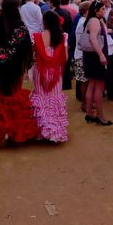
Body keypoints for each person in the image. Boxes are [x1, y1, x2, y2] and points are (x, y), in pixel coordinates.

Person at [0, 0, 38, 146]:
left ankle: (2, 131)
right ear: (16, 8)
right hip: (14, 68)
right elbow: (25, 48)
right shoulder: (19, 26)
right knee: (13, 98)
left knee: (1, 96)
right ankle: (13, 133)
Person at [30, 11, 68, 143]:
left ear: (44, 22)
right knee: (54, 99)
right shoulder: (62, 37)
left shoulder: (37, 37)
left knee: (41, 98)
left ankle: (41, 131)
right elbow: (66, 57)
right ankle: (55, 131)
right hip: (56, 72)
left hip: (40, 71)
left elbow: (34, 57)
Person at [83, 0, 112, 125]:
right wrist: (101, 55)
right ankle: (100, 116)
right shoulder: (94, 20)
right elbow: (93, 39)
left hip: (90, 56)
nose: (104, 11)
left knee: (92, 85)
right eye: (102, 9)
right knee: (98, 87)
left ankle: (89, 114)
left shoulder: (91, 20)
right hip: (95, 57)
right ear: (96, 11)